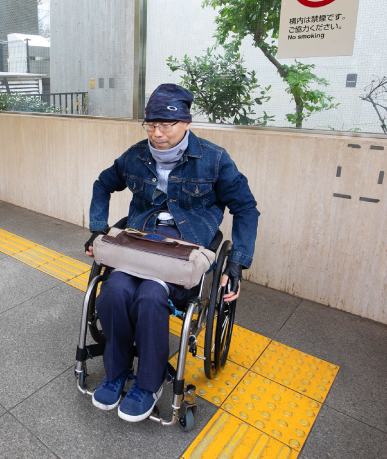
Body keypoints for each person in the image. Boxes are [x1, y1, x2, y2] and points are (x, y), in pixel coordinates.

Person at [84, 83, 259, 422]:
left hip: (185, 243)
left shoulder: (215, 159)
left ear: (187, 124)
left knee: (151, 296)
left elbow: (246, 208)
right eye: (151, 125)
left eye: (166, 125)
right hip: (140, 239)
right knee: (114, 290)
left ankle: (148, 385)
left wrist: (237, 261)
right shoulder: (136, 155)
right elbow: (103, 184)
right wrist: (96, 227)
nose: (157, 133)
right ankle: (116, 372)